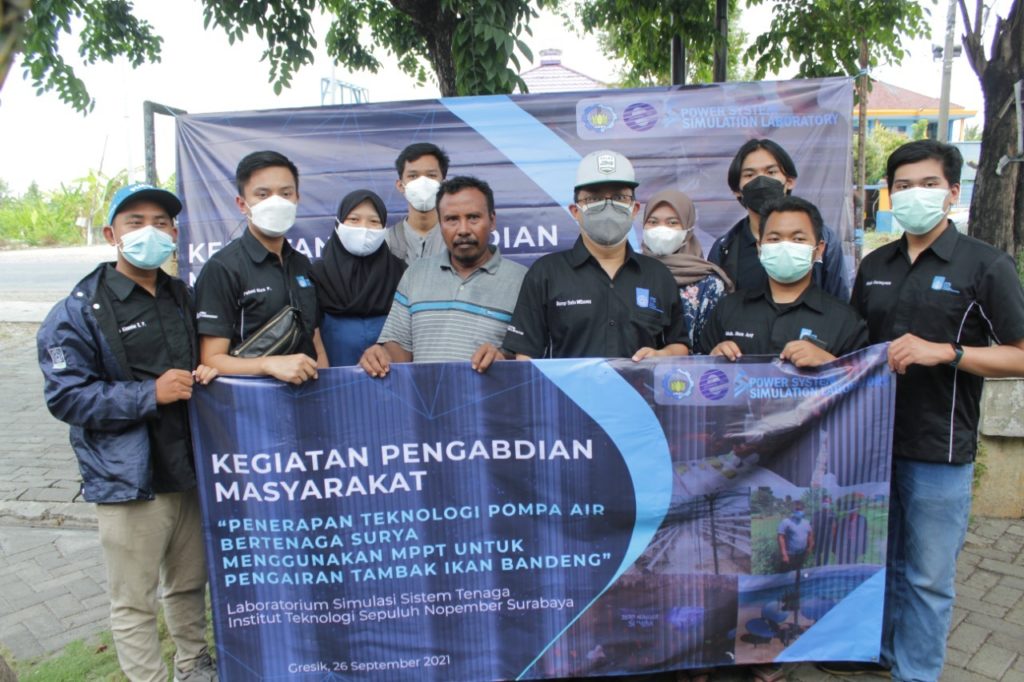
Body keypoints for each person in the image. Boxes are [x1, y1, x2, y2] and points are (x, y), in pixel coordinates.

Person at [828, 139, 1024, 680]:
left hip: (940, 448)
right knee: (881, 565)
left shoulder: (985, 265)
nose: (915, 194)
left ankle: (915, 672)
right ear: (889, 195)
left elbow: (1020, 355)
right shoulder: (875, 265)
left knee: (929, 578)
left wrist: (949, 352)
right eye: (904, 185)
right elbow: (856, 344)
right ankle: (881, 654)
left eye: (929, 184)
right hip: (870, 446)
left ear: (953, 193)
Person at [37, 183, 218, 682]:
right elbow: (66, 397)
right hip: (129, 479)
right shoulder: (79, 310)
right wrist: (148, 394)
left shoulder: (181, 295)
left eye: (161, 223)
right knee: (133, 600)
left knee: (188, 585)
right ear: (110, 233)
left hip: (189, 469)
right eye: (135, 222)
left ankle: (194, 667)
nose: (150, 232)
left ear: (175, 233)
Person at [504, 150, 689, 360]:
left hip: (640, 393)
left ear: (635, 209)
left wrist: (661, 354)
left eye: (619, 197)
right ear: (575, 211)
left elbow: (680, 345)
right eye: (595, 198)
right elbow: (526, 355)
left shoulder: (658, 275)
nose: (607, 205)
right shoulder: (546, 273)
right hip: (566, 394)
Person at [359, 175, 526, 376]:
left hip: (491, 406)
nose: (463, 230)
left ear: (492, 221)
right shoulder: (416, 274)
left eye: (473, 217)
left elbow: (532, 358)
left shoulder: (523, 280)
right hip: (427, 405)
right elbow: (399, 351)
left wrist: (503, 359)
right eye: (452, 219)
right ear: (440, 224)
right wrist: (380, 354)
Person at [194, 150, 327, 383]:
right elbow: (211, 359)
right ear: (242, 204)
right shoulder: (223, 268)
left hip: (309, 399)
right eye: (263, 194)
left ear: (297, 198)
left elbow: (314, 339)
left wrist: (327, 386)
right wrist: (268, 364)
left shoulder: (301, 263)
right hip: (253, 402)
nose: (276, 202)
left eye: (286, 193)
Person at [697, 195, 868, 366]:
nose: (785, 247)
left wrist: (832, 364)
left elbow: (865, 383)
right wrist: (713, 360)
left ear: (819, 250)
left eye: (798, 239)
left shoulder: (844, 321)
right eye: (774, 239)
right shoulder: (727, 310)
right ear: (759, 248)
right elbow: (695, 376)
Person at [708, 139, 849, 300]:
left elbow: (840, 305)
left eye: (771, 172)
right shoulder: (724, 248)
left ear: (789, 182)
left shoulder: (825, 241)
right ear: (736, 190)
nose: (761, 181)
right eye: (750, 174)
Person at [310, 189, 406, 366]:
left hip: (390, 378)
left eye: (374, 221)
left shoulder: (400, 272)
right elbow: (312, 340)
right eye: (354, 219)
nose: (364, 228)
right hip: (333, 381)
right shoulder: (318, 275)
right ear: (339, 223)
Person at [641, 189, 733, 348]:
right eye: (653, 222)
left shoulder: (709, 284)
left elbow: (712, 347)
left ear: (688, 228)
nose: (661, 229)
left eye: (672, 222)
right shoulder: (632, 273)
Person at [385, 142, 451, 264]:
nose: (423, 182)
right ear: (400, 185)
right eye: (413, 176)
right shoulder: (386, 242)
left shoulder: (456, 238)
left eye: (431, 175)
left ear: (444, 184)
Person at [811, 495, 837, 567]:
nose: (826, 503)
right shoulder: (816, 514)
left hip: (828, 540)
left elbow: (834, 527)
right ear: (821, 502)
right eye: (824, 501)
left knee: (827, 559)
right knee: (817, 558)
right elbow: (812, 528)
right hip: (818, 540)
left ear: (830, 502)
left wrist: (833, 539)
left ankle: (825, 570)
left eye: (827, 502)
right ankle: (816, 571)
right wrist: (812, 540)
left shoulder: (833, 514)